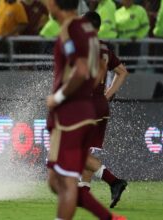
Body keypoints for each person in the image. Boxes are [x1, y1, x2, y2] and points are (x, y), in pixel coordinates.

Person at [44, 0, 125, 219]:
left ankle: (111, 186)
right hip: (84, 108)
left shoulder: (73, 32)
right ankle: (107, 208)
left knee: (65, 179)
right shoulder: (90, 38)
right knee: (56, 178)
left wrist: (59, 97)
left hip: (73, 113)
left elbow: (79, 70)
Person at [81, 11, 129, 209]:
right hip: (101, 104)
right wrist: (107, 95)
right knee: (86, 150)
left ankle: (114, 181)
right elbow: (123, 72)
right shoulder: (105, 49)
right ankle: (83, 189)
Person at [114, 0, 149, 72]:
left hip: (133, 44)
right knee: (120, 69)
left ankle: (131, 82)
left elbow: (146, 26)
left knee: (131, 68)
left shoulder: (140, 10)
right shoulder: (117, 12)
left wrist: (138, 36)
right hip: (120, 45)